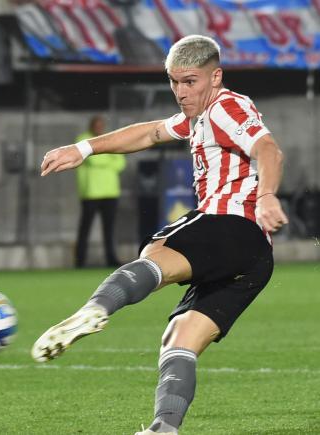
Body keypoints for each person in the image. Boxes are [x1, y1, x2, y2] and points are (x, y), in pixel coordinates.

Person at [33, 35, 288, 435]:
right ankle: (163, 429)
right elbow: (150, 133)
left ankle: (95, 310)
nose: (181, 92)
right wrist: (83, 150)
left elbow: (269, 148)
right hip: (255, 261)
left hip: (231, 224)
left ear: (215, 76)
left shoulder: (226, 107)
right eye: (173, 82)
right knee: (179, 339)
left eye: (190, 82)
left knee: (158, 249)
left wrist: (269, 195)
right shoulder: (197, 116)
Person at [74, 115, 125, 268]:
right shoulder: (83, 139)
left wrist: (105, 161)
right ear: (91, 126)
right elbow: (92, 160)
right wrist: (109, 160)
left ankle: (111, 259)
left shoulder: (109, 139)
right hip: (91, 192)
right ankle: (80, 261)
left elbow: (120, 164)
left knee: (109, 229)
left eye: (101, 125)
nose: (99, 128)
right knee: (85, 229)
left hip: (110, 192)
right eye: (96, 125)